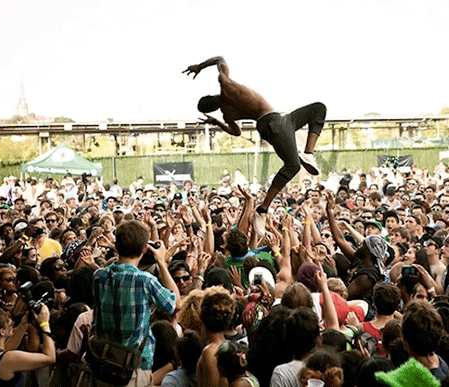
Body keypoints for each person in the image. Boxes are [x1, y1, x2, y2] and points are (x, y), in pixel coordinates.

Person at [183, 56, 326, 235]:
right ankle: (263, 208)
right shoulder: (226, 84)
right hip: (275, 123)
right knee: (293, 166)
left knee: (318, 109)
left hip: (278, 122)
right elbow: (220, 59)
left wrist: (217, 122)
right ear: (211, 96)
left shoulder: (227, 114)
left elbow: (236, 132)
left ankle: (308, 153)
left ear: (213, 109)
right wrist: (200, 67)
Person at [92, 220, 180, 387]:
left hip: (103, 361)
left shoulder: (98, 276)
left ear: (116, 246)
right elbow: (173, 304)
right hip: (134, 366)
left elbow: (113, 268)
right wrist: (161, 262)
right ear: (144, 249)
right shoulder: (145, 280)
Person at [0, 305, 56, 386]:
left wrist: (24, 324)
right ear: (2, 331)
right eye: (7, 321)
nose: (11, 322)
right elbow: (50, 358)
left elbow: (5, 349)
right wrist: (45, 324)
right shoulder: (8, 359)